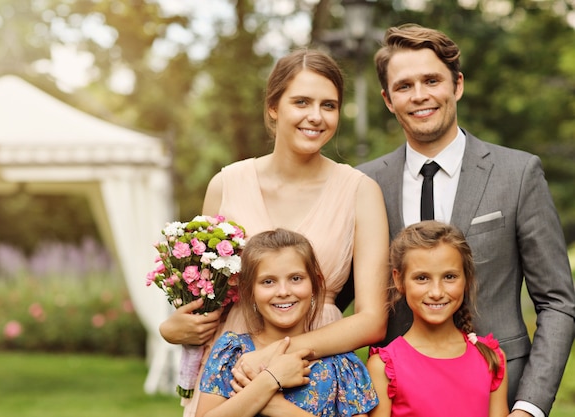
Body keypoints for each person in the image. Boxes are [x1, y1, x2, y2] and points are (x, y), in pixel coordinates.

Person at [349, 23, 575, 416]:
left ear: (457, 85)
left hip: (499, 397)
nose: (420, 95)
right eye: (404, 86)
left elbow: (557, 302)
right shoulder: (364, 183)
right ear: (387, 99)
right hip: (398, 398)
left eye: (432, 80)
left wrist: (529, 407)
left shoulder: (518, 174)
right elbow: (331, 295)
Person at [159, 48, 390, 416]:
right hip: (234, 374)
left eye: (328, 106)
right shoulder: (226, 183)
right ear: (273, 107)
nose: (316, 116)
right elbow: (207, 296)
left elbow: (372, 320)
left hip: (318, 365)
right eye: (301, 102)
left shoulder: (360, 191)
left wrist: (272, 357)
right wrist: (175, 328)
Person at [196, 228, 379, 417]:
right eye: (268, 281)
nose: (283, 291)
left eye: (296, 278)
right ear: (249, 290)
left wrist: (274, 406)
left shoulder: (341, 364)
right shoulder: (232, 354)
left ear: (315, 284)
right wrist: (269, 381)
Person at [366, 221, 509, 417]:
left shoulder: (491, 358)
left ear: (466, 279)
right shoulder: (383, 367)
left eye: (449, 277)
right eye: (422, 278)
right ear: (399, 280)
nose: (436, 292)